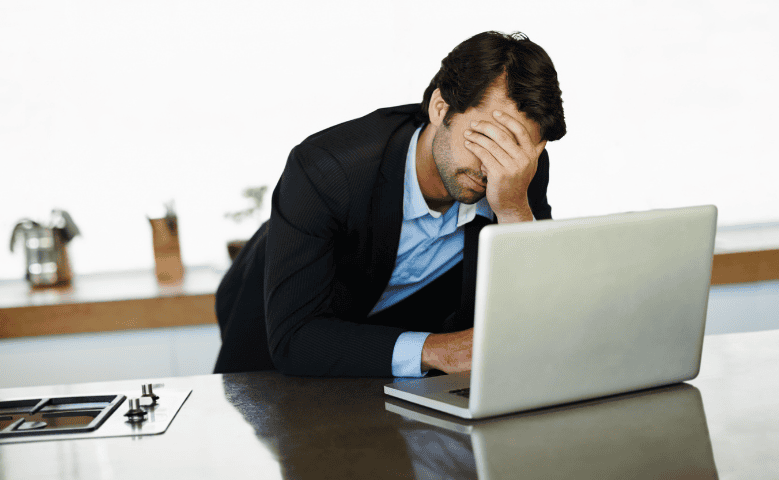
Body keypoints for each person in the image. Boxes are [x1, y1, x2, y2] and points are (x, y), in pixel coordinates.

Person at [214, 31, 566, 377]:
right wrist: (439, 350)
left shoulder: (516, 172)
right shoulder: (326, 170)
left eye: (515, 148)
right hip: (275, 338)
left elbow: (538, 324)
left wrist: (514, 212)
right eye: (487, 139)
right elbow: (295, 339)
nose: (496, 165)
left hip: (390, 362)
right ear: (440, 108)